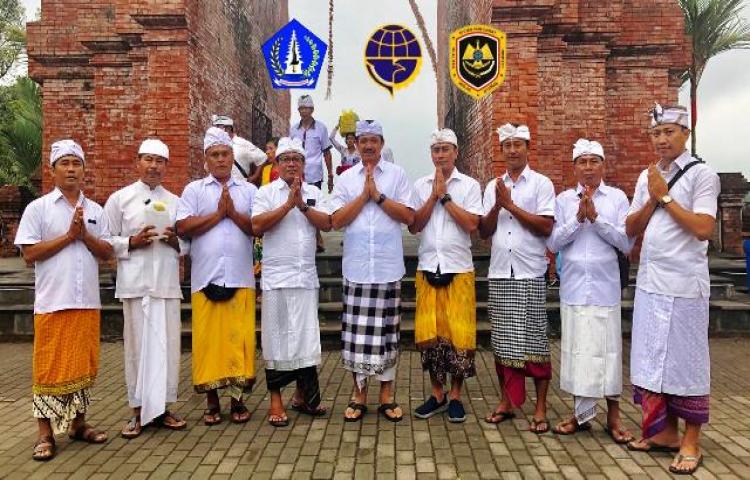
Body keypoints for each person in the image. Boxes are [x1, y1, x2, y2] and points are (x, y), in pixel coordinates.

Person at [625, 104, 720, 475]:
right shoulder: (647, 176)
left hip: (685, 286)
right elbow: (631, 228)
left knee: (687, 362)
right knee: (652, 358)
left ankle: (691, 440)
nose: (662, 139)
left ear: (685, 134)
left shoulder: (702, 174)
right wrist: (652, 197)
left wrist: (665, 197)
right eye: (656, 133)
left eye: (669, 132)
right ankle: (664, 433)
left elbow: (703, 228)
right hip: (651, 283)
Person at [15, 140, 113, 460]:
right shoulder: (39, 208)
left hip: (87, 302)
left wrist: (85, 237)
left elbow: (107, 253)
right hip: (53, 303)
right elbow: (29, 254)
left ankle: (78, 424)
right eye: (65, 163)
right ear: (53, 170)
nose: (71, 169)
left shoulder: (95, 210)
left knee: (84, 366)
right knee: (49, 368)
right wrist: (69, 237)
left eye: (76, 163)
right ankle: (45, 433)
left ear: (84, 169)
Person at [547, 139, 634, 443]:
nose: (588, 168)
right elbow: (553, 243)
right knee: (578, 352)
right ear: (574, 167)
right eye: (582, 162)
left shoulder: (617, 198)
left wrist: (596, 219)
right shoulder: (563, 200)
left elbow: (626, 243)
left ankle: (613, 416)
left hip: (605, 288)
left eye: (593, 161)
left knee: (608, 352)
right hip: (573, 288)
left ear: (603, 165)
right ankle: (581, 415)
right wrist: (577, 219)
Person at [330, 120, 416, 422]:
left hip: (387, 266)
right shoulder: (346, 178)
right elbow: (336, 221)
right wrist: (363, 197)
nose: (368, 145)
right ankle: (358, 395)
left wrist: (378, 196)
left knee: (387, 335)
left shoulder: (397, 175)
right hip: (356, 267)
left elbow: (408, 216)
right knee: (356, 337)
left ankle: (386, 396)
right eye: (363, 140)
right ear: (355, 144)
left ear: (382, 144)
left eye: (373, 140)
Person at [104, 138, 189, 438]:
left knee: (167, 348)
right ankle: (137, 412)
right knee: (137, 349)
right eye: (148, 159)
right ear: (137, 162)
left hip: (166, 285)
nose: (154, 166)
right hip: (135, 285)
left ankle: (163, 409)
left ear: (167, 166)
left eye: (159, 161)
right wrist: (131, 242)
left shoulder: (176, 201)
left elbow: (188, 243)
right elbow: (105, 239)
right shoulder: (120, 199)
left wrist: (175, 241)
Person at [176, 127, 258, 426]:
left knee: (238, 341)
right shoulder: (194, 190)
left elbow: (257, 227)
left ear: (232, 157)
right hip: (205, 278)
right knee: (208, 342)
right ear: (206, 158)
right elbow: (183, 227)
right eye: (215, 155)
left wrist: (232, 214)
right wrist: (218, 215)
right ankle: (212, 402)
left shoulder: (248, 191)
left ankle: (237, 401)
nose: (221, 159)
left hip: (240, 277)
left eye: (225, 154)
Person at [478, 123, 555, 433]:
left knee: (535, 340)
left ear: (527, 148)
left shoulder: (541, 184)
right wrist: (498, 205)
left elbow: (546, 226)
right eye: (507, 145)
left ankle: (540, 407)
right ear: (502, 150)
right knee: (503, 342)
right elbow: (484, 231)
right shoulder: (493, 186)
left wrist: (511, 205)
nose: (512, 150)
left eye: (517, 145)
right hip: (500, 272)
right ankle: (506, 402)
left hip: (529, 271)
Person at [251, 137, 332, 427]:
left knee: (305, 338)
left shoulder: (313, 193)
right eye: (286, 159)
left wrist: (303, 206)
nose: (291, 164)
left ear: (304, 164)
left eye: (297, 159)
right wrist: (288, 205)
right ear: (276, 163)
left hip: (305, 278)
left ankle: (305, 397)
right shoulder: (266, 193)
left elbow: (327, 223)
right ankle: (276, 401)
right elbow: (257, 226)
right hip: (277, 279)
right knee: (276, 339)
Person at [409, 129, 483, 423]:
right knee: (431, 335)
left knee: (459, 335)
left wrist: (446, 197)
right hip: (428, 266)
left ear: (456, 152)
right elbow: (415, 225)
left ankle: (455, 395)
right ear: (431, 154)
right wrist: (432, 196)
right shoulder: (420, 185)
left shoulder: (470, 185)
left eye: (445, 149)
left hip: (459, 268)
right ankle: (437, 393)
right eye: (436, 150)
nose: (440, 155)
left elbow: (471, 225)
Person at [289, 95, 333, 252]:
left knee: (313, 205)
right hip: (296, 174)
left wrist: (330, 175)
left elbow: (327, 152)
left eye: (306, 108)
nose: (303, 111)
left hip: (314, 174)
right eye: (301, 108)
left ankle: (317, 236)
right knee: (296, 203)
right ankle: (302, 237)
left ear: (312, 109)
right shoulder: (293, 130)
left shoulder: (321, 128)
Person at [212, 114, 267, 182]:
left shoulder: (241, 143)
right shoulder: (217, 145)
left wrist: (254, 176)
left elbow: (262, 157)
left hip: (240, 185)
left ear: (228, 129)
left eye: (219, 128)